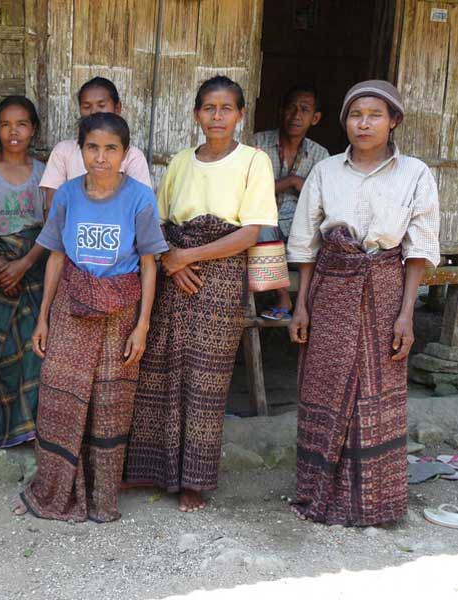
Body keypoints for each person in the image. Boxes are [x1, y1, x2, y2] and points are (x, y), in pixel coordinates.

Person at [287, 80, 439, 526]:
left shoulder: (414, 173)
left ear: (393, 122)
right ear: (344, 122)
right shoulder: (326, 172)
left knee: (377, 392)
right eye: (356, 115)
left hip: (387, 285)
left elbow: (417, 249)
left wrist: (407, 314)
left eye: (375, 115)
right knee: (324, 384)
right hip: (331, 286)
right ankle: (319, 493)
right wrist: (301, 304)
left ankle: (376, 503)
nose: (364, 123)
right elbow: (305, 242)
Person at [124, 76, 277, 512]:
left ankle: (193, 479)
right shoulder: (180, 162)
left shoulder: (253, 161)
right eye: (208, 108)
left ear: (240, 115)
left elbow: (250, 232)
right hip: (176, 271)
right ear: (196, 114)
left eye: (226, 108)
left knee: (206, 376)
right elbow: (160, 220)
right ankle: (152, 467)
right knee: (161, 366)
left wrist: (190, 256)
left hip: (221, 274)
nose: (216, 116)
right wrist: (173, 256)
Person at [13, 112, 167, 522]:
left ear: (125, 153)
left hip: (120, 312)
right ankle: (56, 491)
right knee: (59, 394)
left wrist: (142, 326)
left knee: (109, 403)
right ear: (80, 151)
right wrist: (43, 317)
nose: (101, 157)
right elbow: (56, 257)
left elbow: (150, 264)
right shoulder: (65, 195)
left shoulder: (139, 197)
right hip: (71, 307)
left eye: (110, 149)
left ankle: (102, 498)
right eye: (92, 148)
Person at [0, 96, 46, 448]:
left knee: (33, 351)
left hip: (33, 268)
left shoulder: (45, 173)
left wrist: (25, 264)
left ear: (33, 129)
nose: (13, 132)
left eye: (21, 124)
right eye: (5, 124)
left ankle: (29, 429)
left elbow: (52, 228)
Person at [254, 84, 329, 321]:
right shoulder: (257, 144)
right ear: (281, 111)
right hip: (267, 227)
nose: (296, 115)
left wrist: (302, 187)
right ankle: (283, 296)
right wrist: (292, 182)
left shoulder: (321, 156)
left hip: (299, 229)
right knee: (259, 225)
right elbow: (245, 190)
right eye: (291, 108)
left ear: (315, 118)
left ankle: (310, 304)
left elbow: (325, 200)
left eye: (304, 110)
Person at [40, 77, 152, 211]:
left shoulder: (133, 156)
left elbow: (141, 206)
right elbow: (52, 206)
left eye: (101, 105)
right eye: (86, 106)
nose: (94, 112)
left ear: (117, 108)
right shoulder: (63, 151)